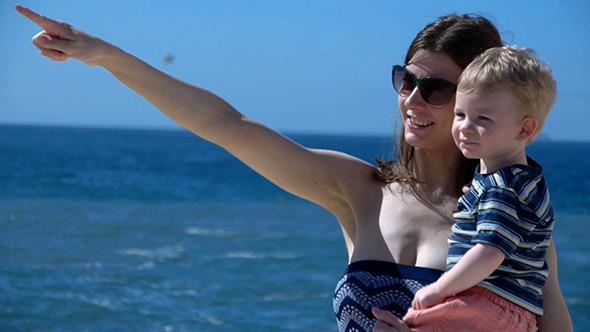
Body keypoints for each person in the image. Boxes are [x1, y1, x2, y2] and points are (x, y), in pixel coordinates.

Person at [15, 5, 572, 332]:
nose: (412, 100)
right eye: (406, 80)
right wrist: (104, 55)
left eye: (435, 89)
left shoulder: (510, 213)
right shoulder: (360, 190)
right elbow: (226, 125)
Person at [401, 45, 556, 331]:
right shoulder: (526, 179)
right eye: (460, 115)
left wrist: (437, 290)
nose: (465, 127)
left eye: (482, 118)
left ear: (524, 129)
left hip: (490, 305)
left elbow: (489, 251)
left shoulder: (501, 188)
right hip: (513, 312)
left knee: (409, 322)